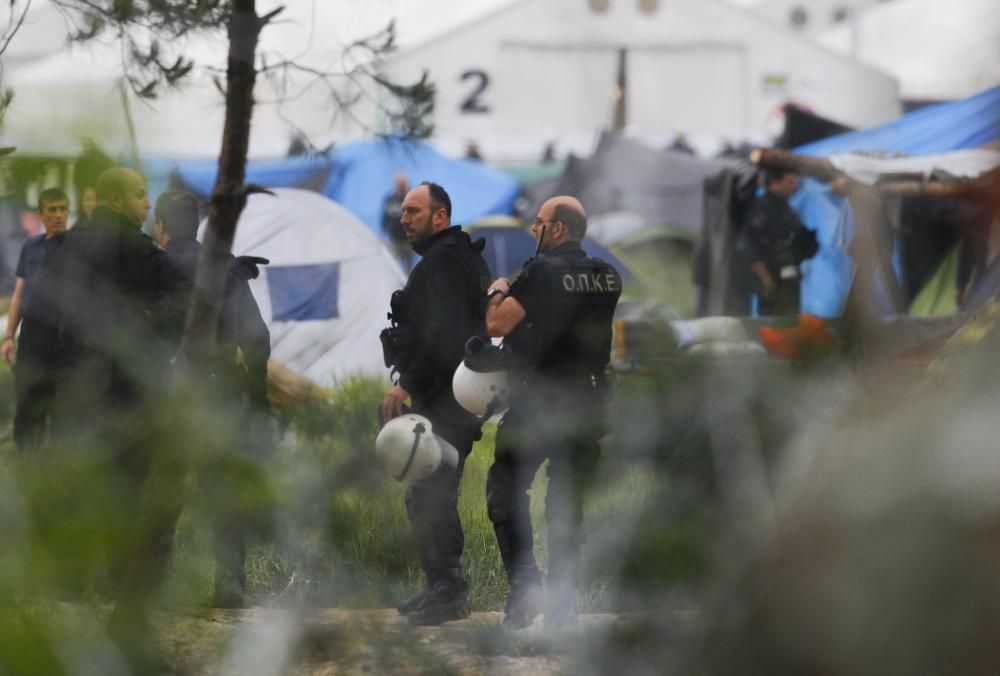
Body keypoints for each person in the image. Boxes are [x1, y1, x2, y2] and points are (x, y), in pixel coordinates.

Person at [483, 196, 622, 629]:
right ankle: (564, 604)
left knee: (505, 489)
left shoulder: (543, 271)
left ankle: (526, 590)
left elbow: (497, 324)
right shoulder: (607, 276)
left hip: (540, 402)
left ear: (558, 229)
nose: (535, 232)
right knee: (567, 502)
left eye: (539, 224)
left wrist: (498, 290)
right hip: (589, 403)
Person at [153, 189, 272, 607]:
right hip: (221, 393)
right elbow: (257, 339)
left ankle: (148, 588)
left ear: (161, 227)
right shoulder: (225, 268)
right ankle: (231, 585)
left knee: (160, 494)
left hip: (166, 396)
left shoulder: (152, 269)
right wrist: (257, 395)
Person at [380, 181, 491, 626]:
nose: (403, 219)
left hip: (446, 399)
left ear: (440, 216)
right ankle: (439, 586)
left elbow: (444, 335)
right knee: (425, 491)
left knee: (432, 491)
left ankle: (449, 591)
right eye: (403, 212)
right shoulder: (458, 255)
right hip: (454, 395)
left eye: (414, 211)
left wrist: (404, 385)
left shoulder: (445, 260)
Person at [2, 188, 69, 451]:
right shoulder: (31, 246)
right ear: (41, 214)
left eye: (63, 209)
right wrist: (9, 336)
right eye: (52, 210)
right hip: (32, 335)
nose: (59, 215)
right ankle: (25, 459)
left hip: (62, 336)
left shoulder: (75, 246)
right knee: (27, 405)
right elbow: (20, 293)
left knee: (59, 407)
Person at [738, 169, 818, 316]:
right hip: (772, 281)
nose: (793, 186)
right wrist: (765, 277)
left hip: (790, 279)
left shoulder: (788, 210)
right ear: (775, 182)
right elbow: (748, 245)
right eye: (789, 182)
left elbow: (800, 243)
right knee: (772, 325)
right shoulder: (761, 208)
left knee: (790, 322)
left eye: (795, 182)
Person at [382, 173, 413, 270]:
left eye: (402, 184)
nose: (400, 186)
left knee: (409, 269)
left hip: (410, 240)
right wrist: (382, 231)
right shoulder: (390, 198)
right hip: (394, 239)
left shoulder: (413, 198)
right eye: (398, 184)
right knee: (391, 266)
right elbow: (385, 216)